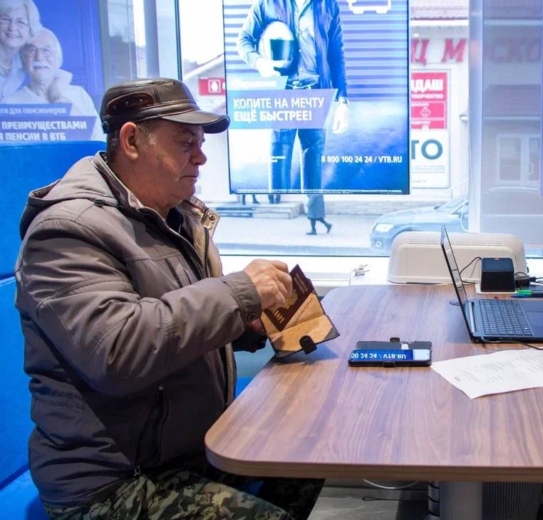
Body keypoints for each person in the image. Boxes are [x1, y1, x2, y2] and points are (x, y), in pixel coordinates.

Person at [17, 78, 323, 519]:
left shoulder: (174, 216)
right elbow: (117, 352)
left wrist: (245, 323)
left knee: (313, 452)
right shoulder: (67, 232)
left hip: (191, 452)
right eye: (185, 143)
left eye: (201, 143)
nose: (200, 157)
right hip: (115, 482)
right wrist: (239, 294)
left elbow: (175, 324)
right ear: (131, 141)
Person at [237, 0, 350, 203]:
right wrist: (259, 62)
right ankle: (276, 211)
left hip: (316, 93)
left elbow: (336, 54)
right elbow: (244, 39)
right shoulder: (266, 3)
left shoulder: (328, 5)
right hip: (283, 93)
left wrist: (342, 101)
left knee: (314, 157)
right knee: (279, 153)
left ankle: (314, 215)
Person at [5, 27, 104, 140]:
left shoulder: (78, 94)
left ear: (58, 59)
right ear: (24, 59)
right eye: (32, 50)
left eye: (46, 51)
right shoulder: (10, 102)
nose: (39, 57)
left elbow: (98, 139)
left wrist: (58, 98)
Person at [0, 0, 40, 100]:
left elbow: (55, 73)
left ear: (31, 31)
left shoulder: (24, 59)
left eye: (21, 22)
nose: (12, 28)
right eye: (5, 20)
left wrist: (55, 91)